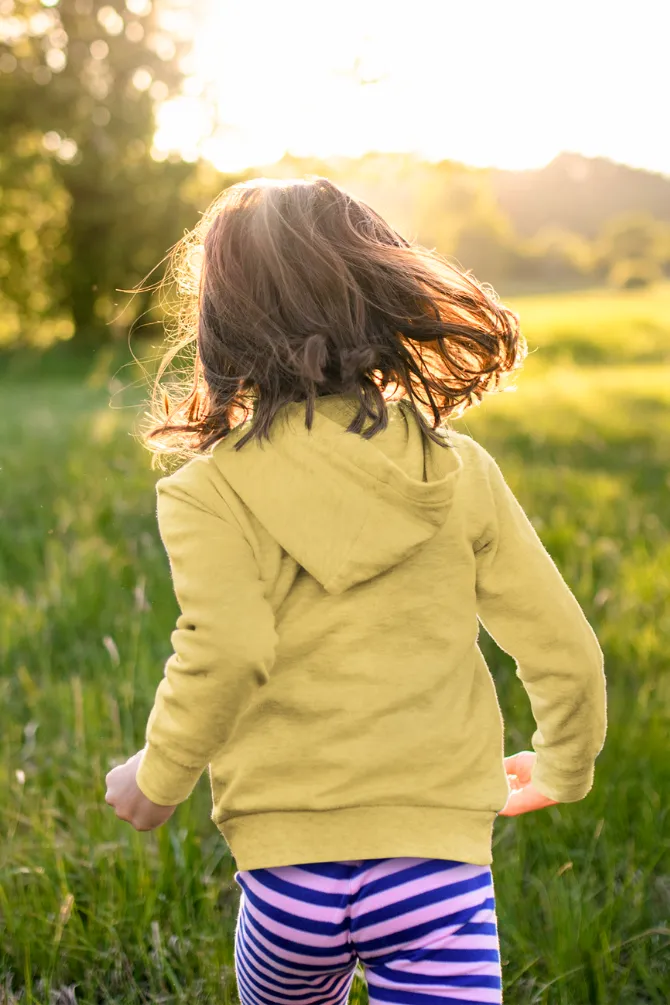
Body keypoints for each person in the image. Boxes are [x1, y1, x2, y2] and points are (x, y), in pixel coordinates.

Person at [105, 176, 608, 1003]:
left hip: (285, 878)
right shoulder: (456, 470)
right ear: (379, 296)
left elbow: (225, 648)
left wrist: (157, 778)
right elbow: (566, 648)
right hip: (434, 871)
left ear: (221, 326)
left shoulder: (208, 491)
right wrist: (563, 765)